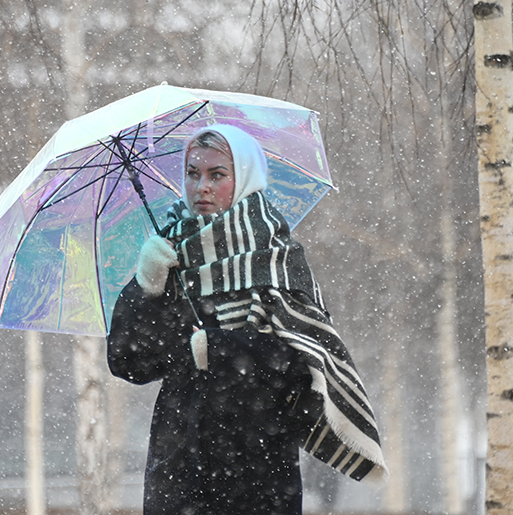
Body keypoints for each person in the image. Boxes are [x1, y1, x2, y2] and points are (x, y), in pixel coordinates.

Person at [107, 124, 385, 515]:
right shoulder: (168, 251)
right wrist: (145, 287)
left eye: (216, 175)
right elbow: (129, 362)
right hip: (177, 471)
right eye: (192, 174)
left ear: (244, 179)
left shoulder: (275, 256)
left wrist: (222, 349)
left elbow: (304, 366)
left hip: (256, 473)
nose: (201, 186)